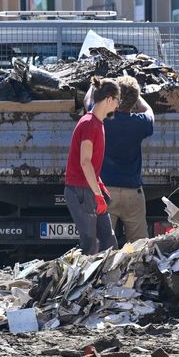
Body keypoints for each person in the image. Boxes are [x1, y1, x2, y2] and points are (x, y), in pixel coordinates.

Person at [64, 78, 120, 255]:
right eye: (117, 100)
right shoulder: (89, 124)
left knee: (108, 241)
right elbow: (85, 161)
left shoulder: (97, 123)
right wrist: (97, 194)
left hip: (88, 190)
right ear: (109, 99)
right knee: (90, 246)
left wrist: (99, 186)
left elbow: (91, 165)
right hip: (80, 192)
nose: (117, 105)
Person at [100, 75, 154, 243]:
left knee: (103, 248)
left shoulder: (103, 120)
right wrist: (138, 98)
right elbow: (149, 112)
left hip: (106, 192)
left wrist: (95, 88)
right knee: (139, 246)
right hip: (133, 192)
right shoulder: (140, 123)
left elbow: (89, 104)